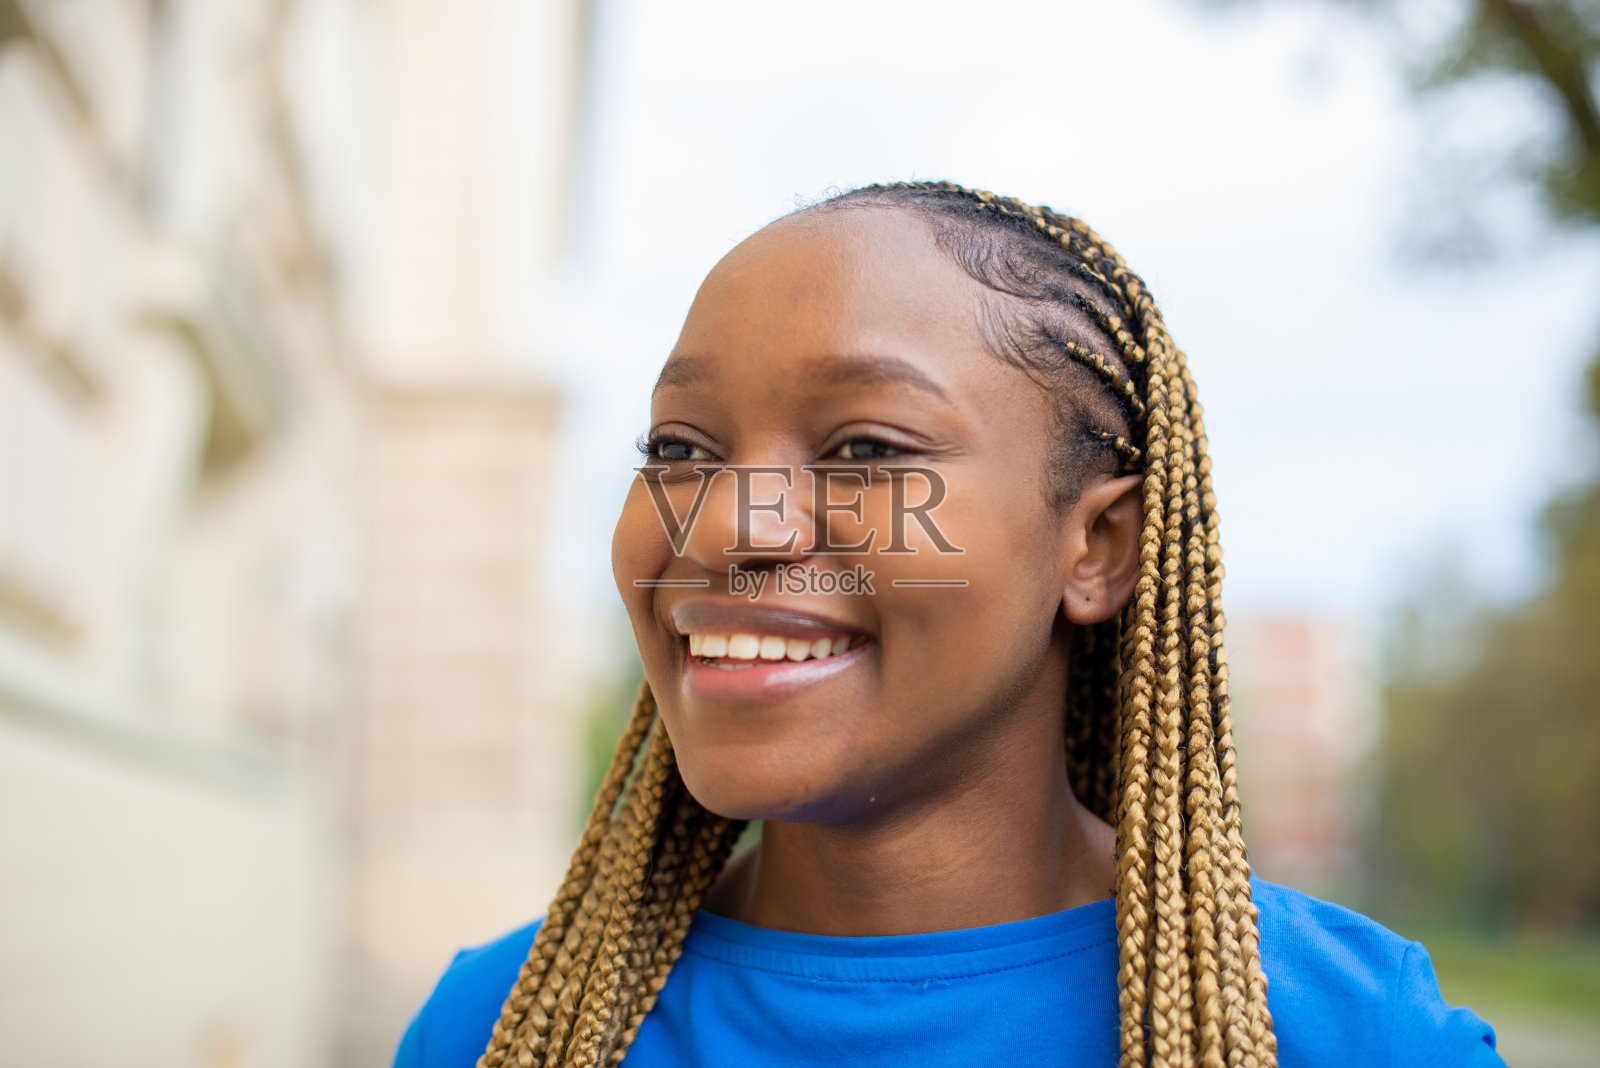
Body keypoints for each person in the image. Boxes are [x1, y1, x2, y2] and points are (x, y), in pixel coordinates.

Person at [394, 182, 1504, 1067]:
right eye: (679, 450)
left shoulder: (1341, 1033)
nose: (729, 522)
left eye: (866, 450)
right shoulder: (500, 1030)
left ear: (1098, 547)